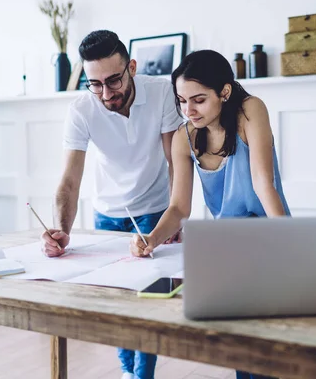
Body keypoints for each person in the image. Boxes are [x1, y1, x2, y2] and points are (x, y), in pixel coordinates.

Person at [130, 49, 290, 379]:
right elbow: (179, 208)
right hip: (229, 249)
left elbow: (263, 184)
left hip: (272, 238)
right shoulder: (183, 138)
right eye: (181, 101)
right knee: (242, 349)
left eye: (199, 100)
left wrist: (293, 241)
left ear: (225, 92)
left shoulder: (250, 110)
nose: (188, 110)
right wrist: (152, 239)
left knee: (275, 346)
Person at [40, 29, 183, 379]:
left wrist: (175, 218)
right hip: (108, 213)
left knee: (149, 303)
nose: (106, 93)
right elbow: (69, 182)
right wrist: (61, 230)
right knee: (117, 301)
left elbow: (175, 161)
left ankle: (142, 375)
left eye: (114, 80)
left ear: (131, 67)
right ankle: (127, 372)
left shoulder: (163, 91)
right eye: (95, 84)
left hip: (155, 210)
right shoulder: (82, 109)